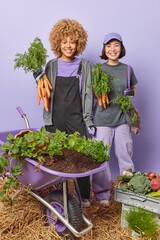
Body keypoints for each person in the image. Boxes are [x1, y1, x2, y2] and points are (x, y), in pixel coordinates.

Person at [34, 19, 95, 207]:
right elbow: (44, 90)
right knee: (56, 158)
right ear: (57, 44)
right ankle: (58, 195)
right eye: (64, 41)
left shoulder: (84, 66)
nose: (68, 46)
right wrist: (37, 76)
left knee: (80, 158)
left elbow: (88, 95)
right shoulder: (51, 65)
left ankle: (83, 197)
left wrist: (88, 120)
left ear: (78, 43)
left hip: (76, 117)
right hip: (55, 118)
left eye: (72, 41)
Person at [92, 33, 138, 206]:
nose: (113, 49)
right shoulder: (98, 69)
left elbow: (132, 87)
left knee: (126, 155)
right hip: (102, 120)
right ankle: (102, 195)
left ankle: (128, 192)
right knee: (101, 159)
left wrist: (132, 92)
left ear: (121, 48)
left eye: (116, 45)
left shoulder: (127, 69)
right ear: (104, 49)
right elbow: (95, 95)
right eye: (109, 46)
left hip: (123, 120)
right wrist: (100, 91)